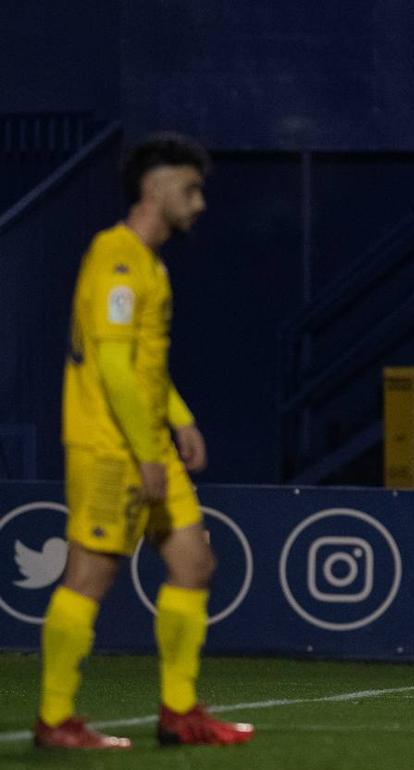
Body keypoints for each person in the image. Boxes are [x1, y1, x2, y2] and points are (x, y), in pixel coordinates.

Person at [36, 133, 254, 749]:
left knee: (194, 562)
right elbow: (110, 368)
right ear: (154, 187)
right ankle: (55, 718)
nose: (200, 202)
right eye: (191, 188)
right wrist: (145, 451)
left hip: (146, 439)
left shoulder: (150, 265)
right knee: (91, 575)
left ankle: (179, 713)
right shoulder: (117, 257)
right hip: (111, 447)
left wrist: (179, 418)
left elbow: (143, 368)